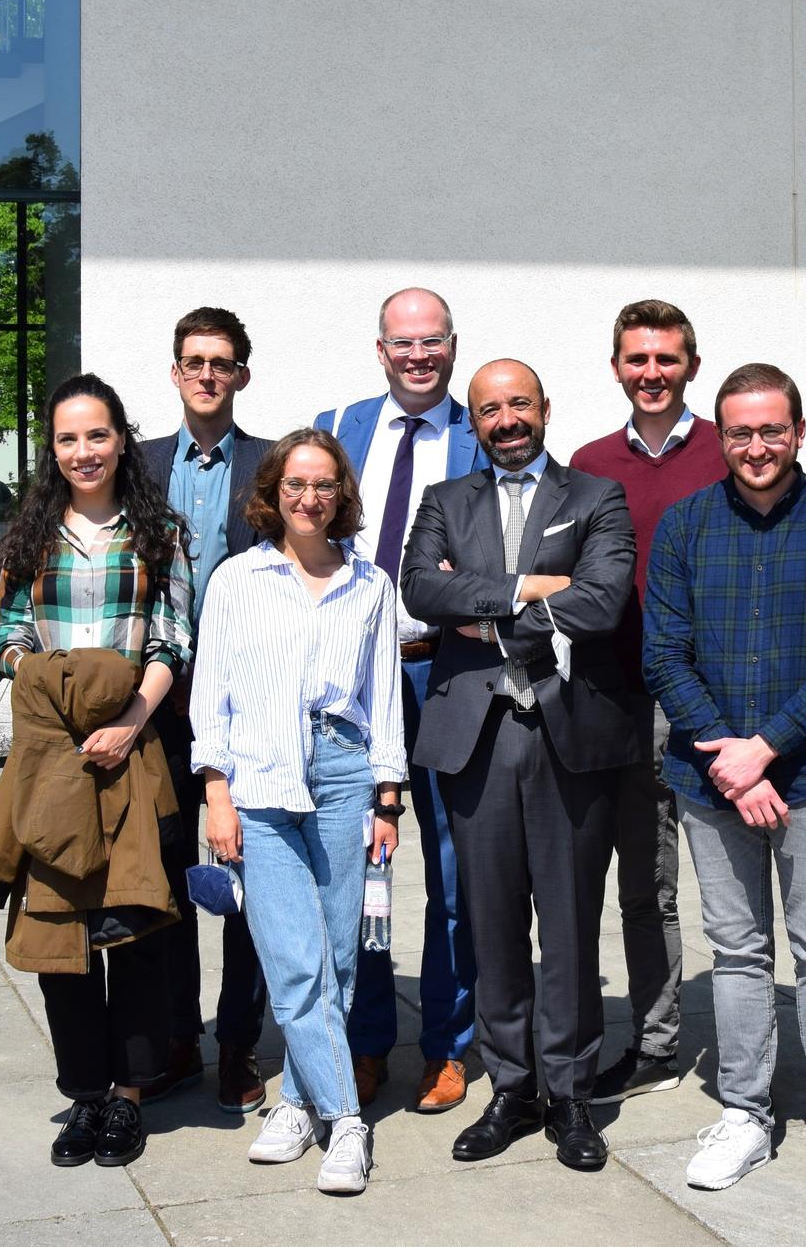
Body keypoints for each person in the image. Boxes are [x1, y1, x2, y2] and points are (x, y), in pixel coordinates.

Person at [643, 362, 806, 1202]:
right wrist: (733, 762)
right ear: (721, 436)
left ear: (800, 432)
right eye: (740, 432)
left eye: (771, 430)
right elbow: (663, 655)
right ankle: (745, 1112)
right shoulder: (683, 528)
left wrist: (767, 747)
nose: (756, 446)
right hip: (712, 784)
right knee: (740, 952)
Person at [400, 359, 636, 1173]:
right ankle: (512, 1087)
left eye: (519, 404)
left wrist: (486, 609)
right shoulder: (443, 503)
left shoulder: (595, 496)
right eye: (489, 408)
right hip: (476, 738)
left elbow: (604, 600)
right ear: (474, 421)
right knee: (493, 923)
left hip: (568, 736)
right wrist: (532, 589)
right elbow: (420, 593)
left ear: (545, 409)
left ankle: (570, 1093)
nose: (506, 419)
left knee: (569, 924)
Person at [0, 373, 195, 1168]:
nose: (83, 452)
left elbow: (172, 639)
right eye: (67, 439)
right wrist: (40, 681)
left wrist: (130, 719)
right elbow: (4, 634)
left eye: (97, 435)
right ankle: (85, 1094)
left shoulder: (158, 532)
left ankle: (129, 1100)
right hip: (51, 763)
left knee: (134, 930)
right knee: (59, 930)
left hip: (132, 756)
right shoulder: (30, 535)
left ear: (121, 440)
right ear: (53, 449)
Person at [190, 429, 407, 1196]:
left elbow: (384, 698)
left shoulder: (370, 585)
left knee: (343, 957)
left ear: (341, 495)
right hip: (261, 775)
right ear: (273, 493)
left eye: (323, 485)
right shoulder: (237, 580)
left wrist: (388, 799)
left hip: (347, 770)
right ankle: (346, 1120)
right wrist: (217, 792)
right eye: (295, 485)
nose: (309, 498)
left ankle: (296, 1099)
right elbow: (207, 693)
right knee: (292, 957)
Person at [315, 285, 490, 1114]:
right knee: (365, 868)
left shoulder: (481, 434)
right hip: (358, 678)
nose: (418, 355)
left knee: (456, 872)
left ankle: (449, 1047)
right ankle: (366, 1040)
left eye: (433, 342)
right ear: (379, 349)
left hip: (447, 670)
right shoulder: (340, 427)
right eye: (403, 342)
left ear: (452, 347)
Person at [569, 300, 724, 1104]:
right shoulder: (589, 463)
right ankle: (658, 1044)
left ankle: (748, 1046)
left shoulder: (729, 450)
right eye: (637, 359)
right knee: (644, 886)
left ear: (691, 364)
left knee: (738, 886)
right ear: (617, 367)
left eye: (667, 358)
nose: (652, 373)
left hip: (719, 706)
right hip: (621, 701)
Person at [137, 307, 274, 1113]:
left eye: (222, 362)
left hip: (244, 705)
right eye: (195, 361)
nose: (208, 374)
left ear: (241, 375)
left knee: (245, 877)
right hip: (157, 704)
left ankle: (238, 1043)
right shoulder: (140, 463)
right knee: (161, 875)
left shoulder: (269, 463)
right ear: (176, 372)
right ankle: (178, 1038)